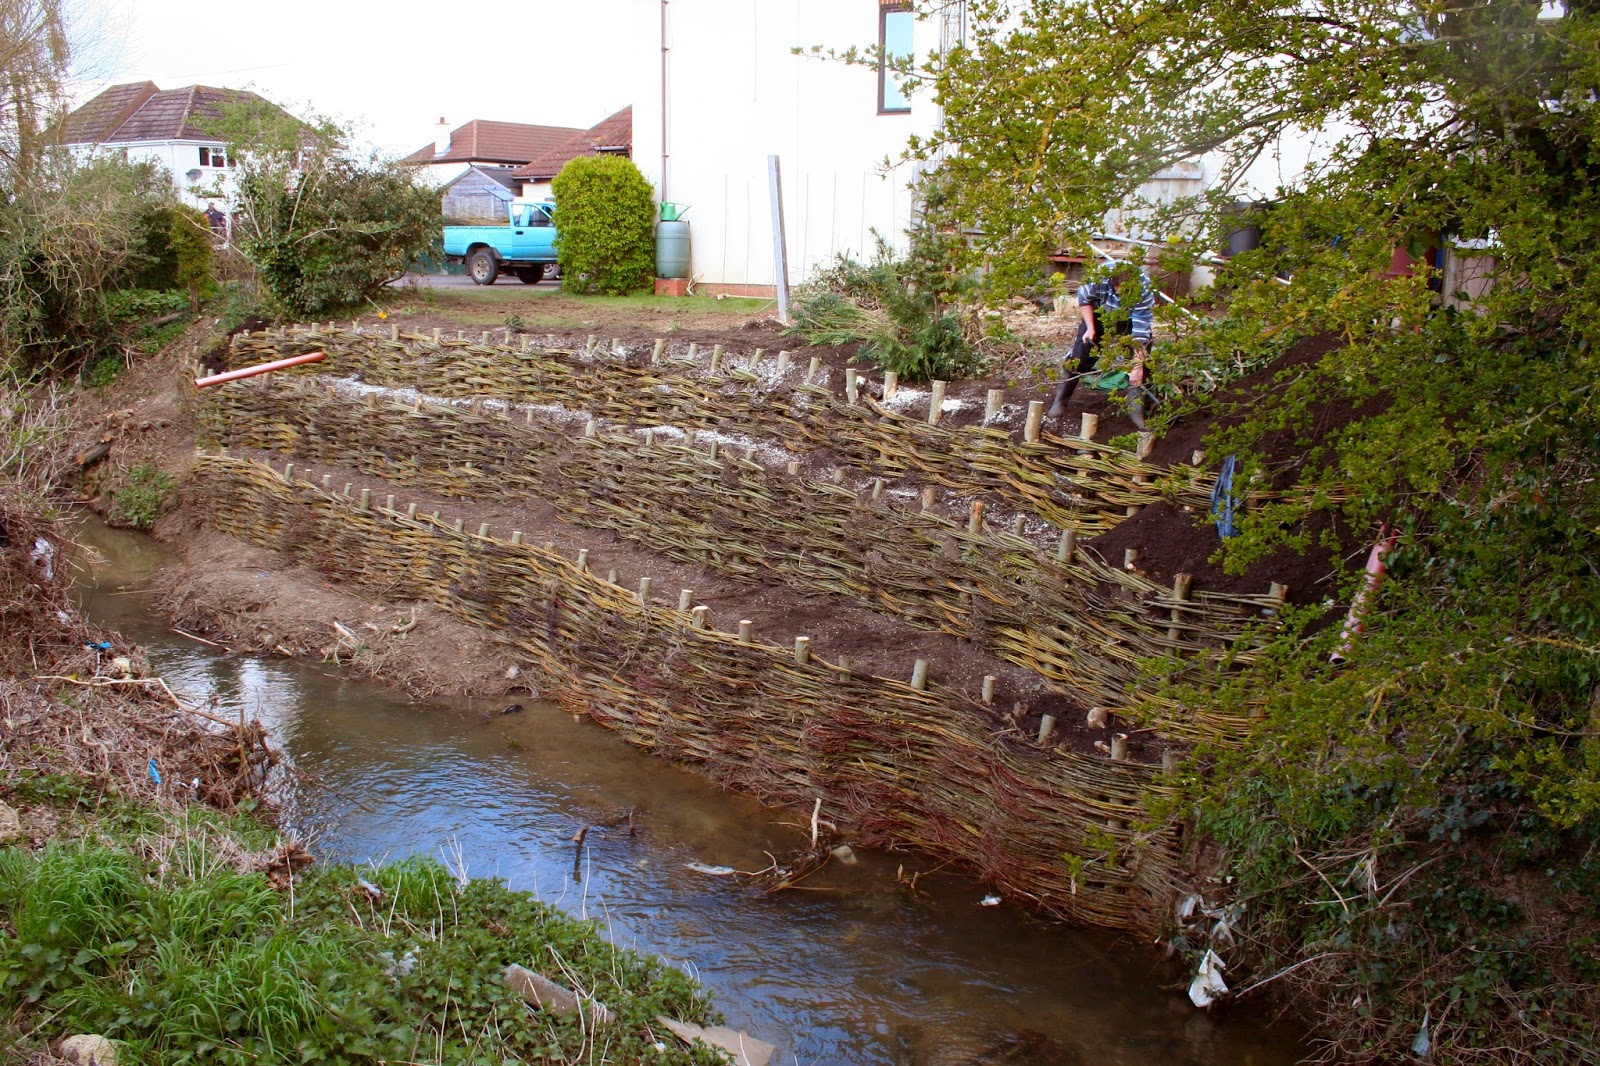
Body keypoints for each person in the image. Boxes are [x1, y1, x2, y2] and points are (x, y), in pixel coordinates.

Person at [1045, 260, 1156, 429]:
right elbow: (1085, 300)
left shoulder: (1143, 289)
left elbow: (1141, 329)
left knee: (1142, 365)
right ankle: (1060, 401)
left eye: (1129, 292)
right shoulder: (1099, 277)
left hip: (1131, 320)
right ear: (1112, 281)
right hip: (1100, 314)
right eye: (1122, 292)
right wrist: (1090, 328)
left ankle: (1136, 410)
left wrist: (1137, 366)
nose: (1125, 296)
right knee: (1079, 356)